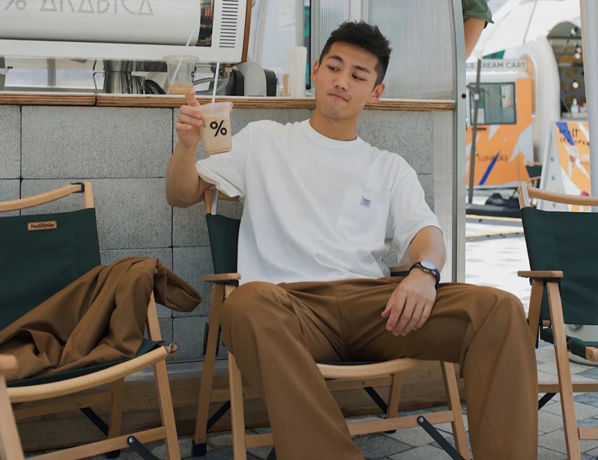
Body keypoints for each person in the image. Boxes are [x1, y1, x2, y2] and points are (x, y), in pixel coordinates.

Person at [166, 21, 537, 460]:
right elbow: (181, 194)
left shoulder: (388, 167)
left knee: (499, 309)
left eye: (358, 75)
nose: (342, 81)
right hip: (291, 308)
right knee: (244, 305)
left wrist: (424, 272)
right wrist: (187, 147)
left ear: (375, 92)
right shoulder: (264, 139)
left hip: (377, 308)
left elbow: (427, 233)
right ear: (316, 71)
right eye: (334, 67)